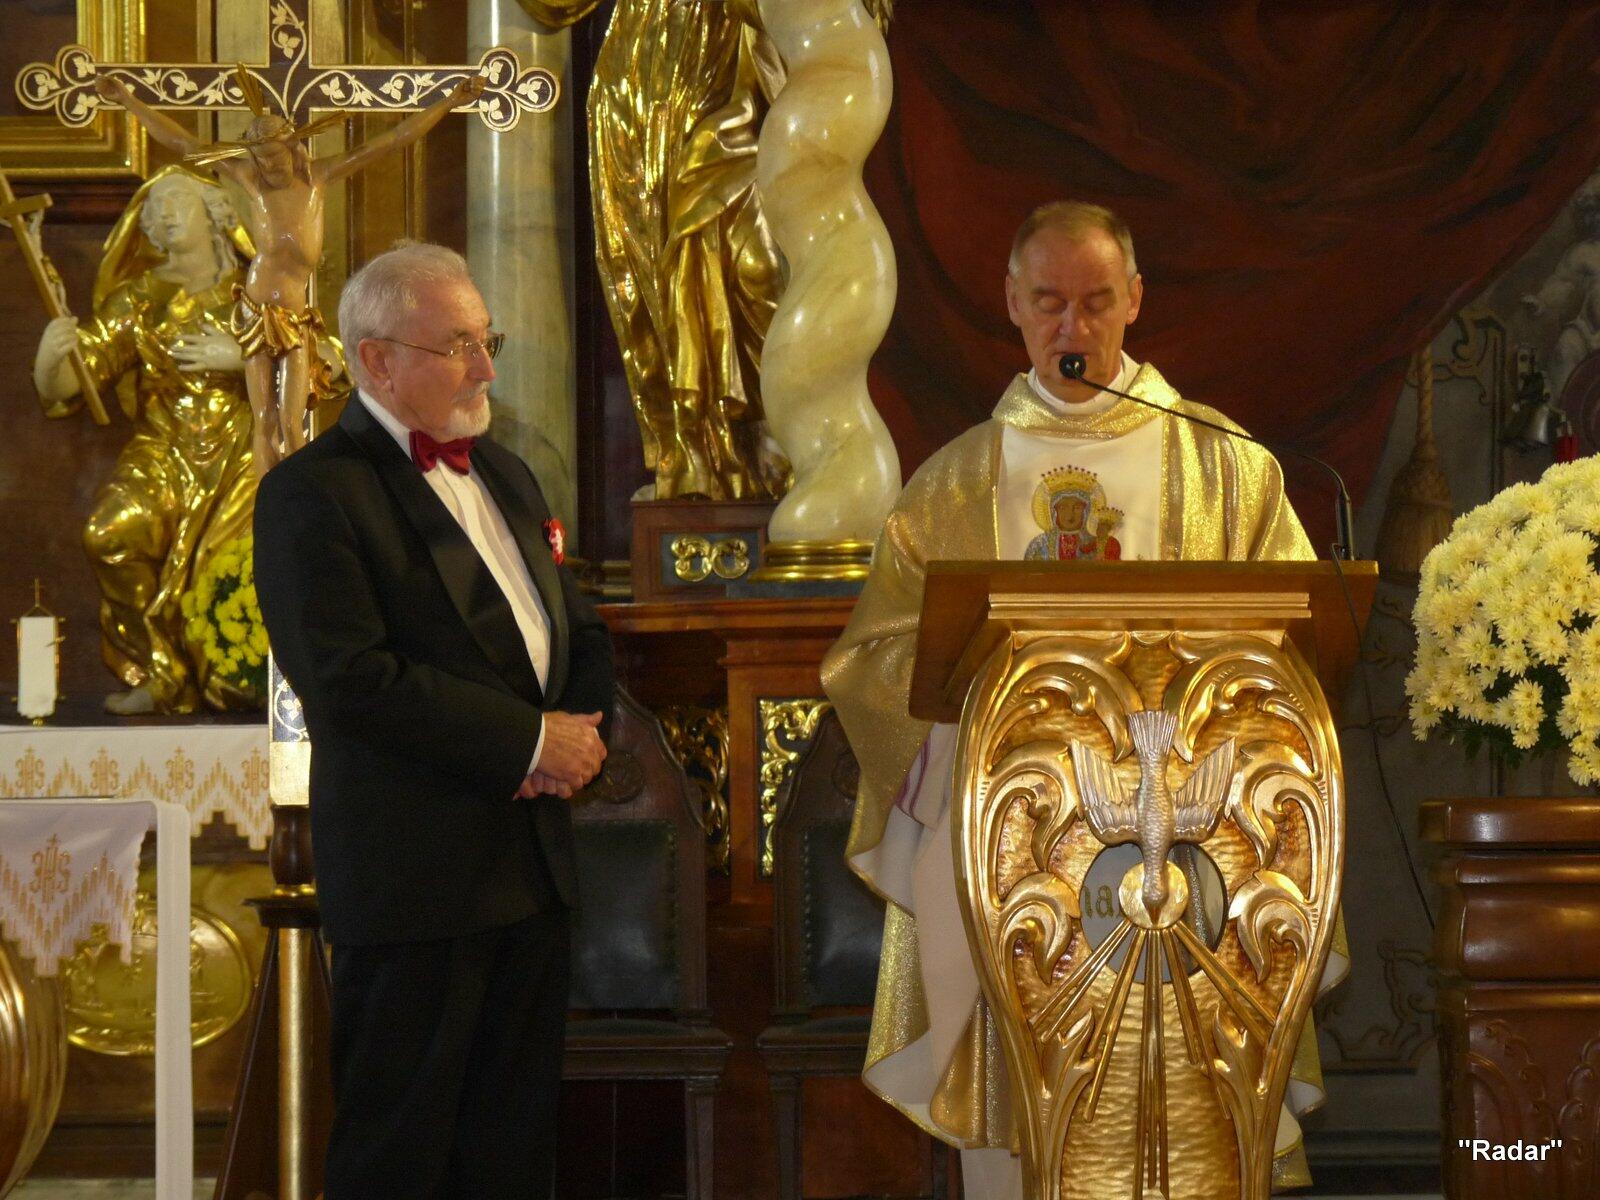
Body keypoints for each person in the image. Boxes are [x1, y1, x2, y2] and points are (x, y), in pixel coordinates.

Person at [821, 201, 1333, 1198]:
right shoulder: (954, 485)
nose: (1073, 327)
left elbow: (1298, 644)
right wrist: (961, 741)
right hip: (1021, 843)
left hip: (1192, 841)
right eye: (1049, 302)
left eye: (1096, 302)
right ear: (1011, 304)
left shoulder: (1224, 467)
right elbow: (876, 656)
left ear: (1135, 300)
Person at [252, 241, 613, 1198]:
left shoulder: (510, 475)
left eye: (487, 340)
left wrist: (579, 741)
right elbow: (349, 679)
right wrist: (527, 744)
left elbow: (577, 630)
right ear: (376, 360)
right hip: (414, 882)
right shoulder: (311, 492)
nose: (486, 367)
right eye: (458, 345)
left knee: (511, 1156)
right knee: (398, 1156)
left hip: (532, 872)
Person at [96, 69, 485, 472]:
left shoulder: (318, 178)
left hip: (294, 315)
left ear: (292, 147)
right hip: (256, 307)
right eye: (261, 158)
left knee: (292, 419)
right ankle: (273, 496)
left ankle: (297, 493)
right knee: (264, 422)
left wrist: (449, 101)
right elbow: (183, 142)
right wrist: (127, 100)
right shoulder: (251, 181)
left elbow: (394, 139)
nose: (269, 166)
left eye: (275, 156)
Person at [32, 166, 265, 714]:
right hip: (162, 449)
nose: (163, 213)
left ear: (213, 214)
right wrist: (48, 360)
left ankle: (234, 676)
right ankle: (159, 671)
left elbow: (323, 364)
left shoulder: (254, 292)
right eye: (155, 206)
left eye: (176, 200)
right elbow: (79, 375)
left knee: (232, 564)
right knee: (109, 533)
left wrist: (245, 358)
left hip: (241, 454)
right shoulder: (138, 298)